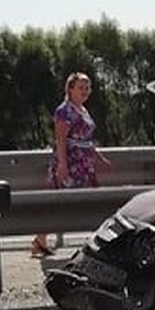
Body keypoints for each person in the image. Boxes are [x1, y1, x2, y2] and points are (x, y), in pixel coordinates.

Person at [31, 71, 112, 257]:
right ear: (70, 89)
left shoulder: (83, 110)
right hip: (71, 162)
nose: (85, 91)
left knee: (88, 200)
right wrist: (62, 165)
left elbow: (86, 140)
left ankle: (42, 239)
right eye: (81, 87)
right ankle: (41, 239)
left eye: (87, 87)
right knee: (61, 202)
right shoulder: (64, 111)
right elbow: (61, 138)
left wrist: (99, 158)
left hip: (84, 163)